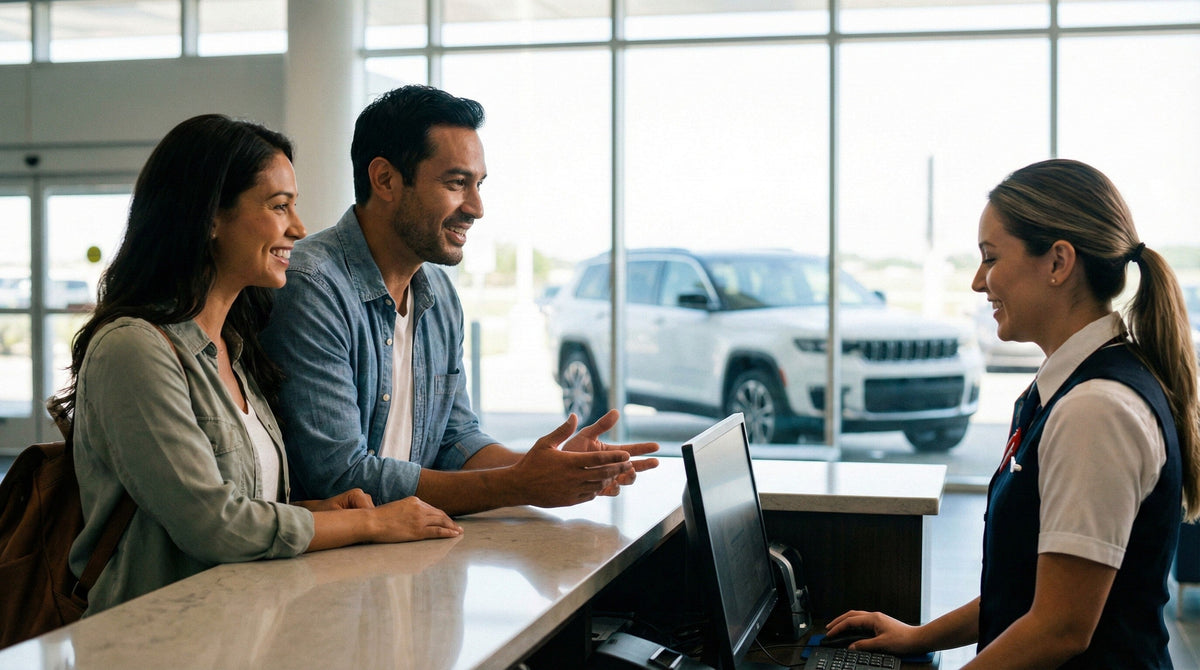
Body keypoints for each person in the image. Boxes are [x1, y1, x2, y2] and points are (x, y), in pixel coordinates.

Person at [62, 114, 463, 616]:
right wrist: (369, 522)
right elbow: (213, 524)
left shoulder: (234, 349)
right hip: (157, 637)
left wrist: (317, 511)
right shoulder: (132, 349)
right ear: (210, 216)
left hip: (239, 630)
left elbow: (245, 505)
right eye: (279, 206)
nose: (298, 228)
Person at [826, 159, 1200, 668]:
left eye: (991, 257)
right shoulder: (1066, 389)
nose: (978, 282)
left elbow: (1059, 628)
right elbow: (1029, 591)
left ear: (1058, 262)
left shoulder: (1095, 410)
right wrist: (919, 637)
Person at [261, 85, 658, 516]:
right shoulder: (311, 286)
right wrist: (521, 484)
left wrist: (551, 468)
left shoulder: (438, 292)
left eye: (478, 184)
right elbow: (340, 476)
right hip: (337, 553)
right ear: (385, 180)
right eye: (457, 183)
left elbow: (456, 440)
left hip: (412, 542)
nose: (476, 207)